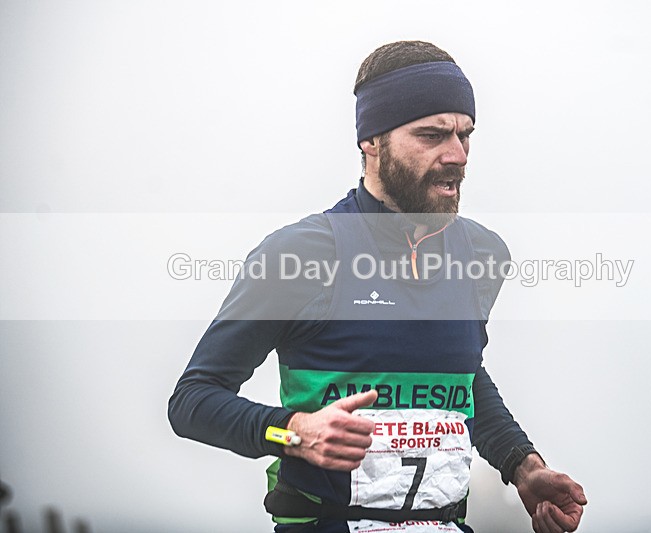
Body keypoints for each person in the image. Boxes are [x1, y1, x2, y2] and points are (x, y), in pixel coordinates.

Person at [168, 40, 587, 533]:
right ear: (372, 141)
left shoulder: (483, 254)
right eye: (432, 135)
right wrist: (294, 431)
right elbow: (193, 401)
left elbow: (460, 379)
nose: (457, 155)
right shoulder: (301, 254)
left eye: (465, 135)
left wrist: (523, 466)